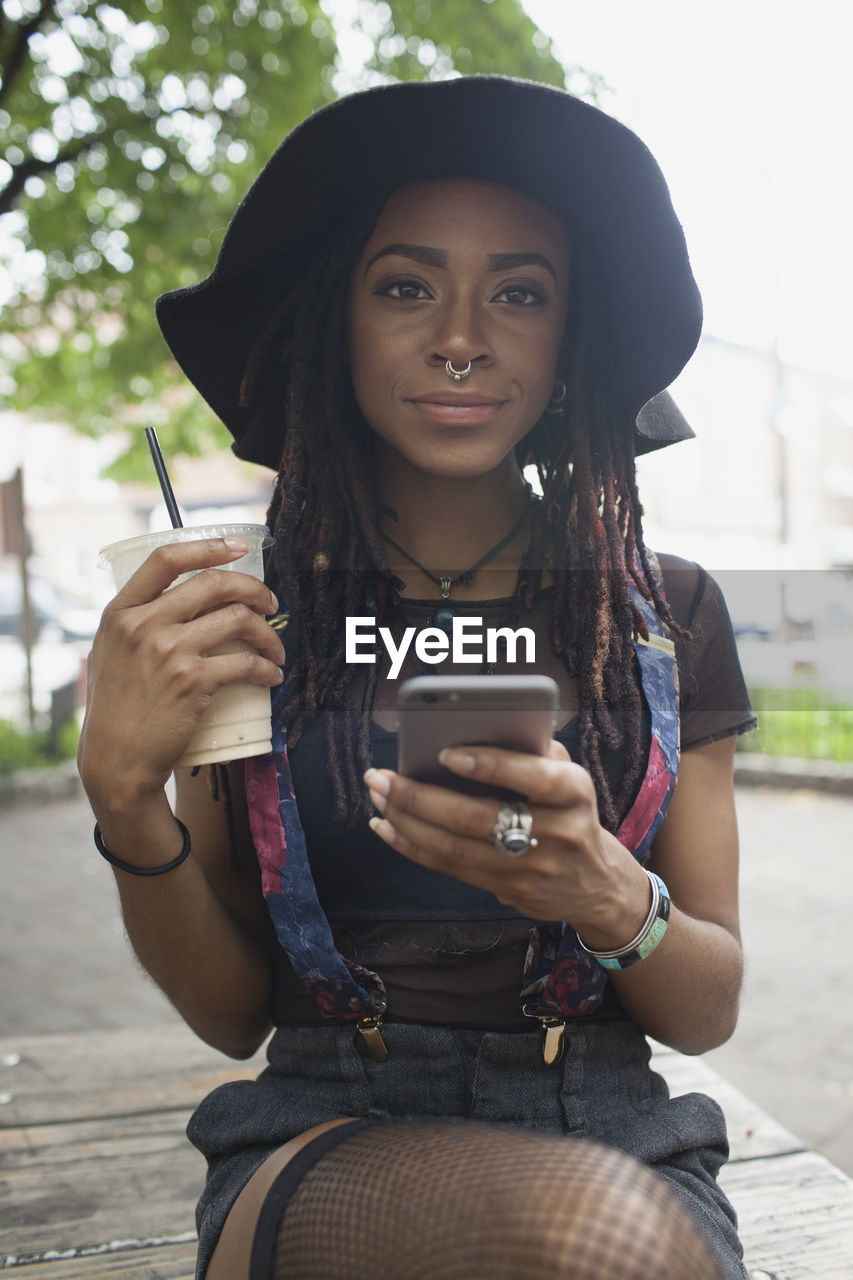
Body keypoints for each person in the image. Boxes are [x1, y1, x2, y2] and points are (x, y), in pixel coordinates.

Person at [78, 76, 758, 1280]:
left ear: (570, 334)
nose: (461, 334)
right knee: (580, 1246)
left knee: (606, 1238)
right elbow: (233, 1008)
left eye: (518, 291)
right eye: (405, 286)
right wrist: (124, 800)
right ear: (334, 320)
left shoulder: (663, 615)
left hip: (618, 1132)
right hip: (331, 1125)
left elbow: (706, 1008)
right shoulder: (245, 612)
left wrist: (606, 890)